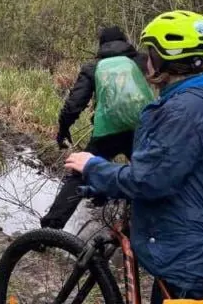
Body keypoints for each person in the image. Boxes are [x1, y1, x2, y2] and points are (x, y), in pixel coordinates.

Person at [66, 10, 203, 304]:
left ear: (162, 58)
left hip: (193, 260)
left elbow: (149, 180)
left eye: (151, 52)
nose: (146, 60)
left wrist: (95, 169)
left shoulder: (182, 111)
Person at [40, 25, 149, 230]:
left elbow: (74, 105)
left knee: (81, 171)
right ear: (125, 42)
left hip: (107, 131)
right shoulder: (144, 61)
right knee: (147, 174)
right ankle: (147, 226)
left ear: (101, 46)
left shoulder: (94, 68)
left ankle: (50, 229)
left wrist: (63, 129)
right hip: (142, 128)